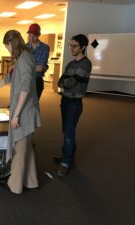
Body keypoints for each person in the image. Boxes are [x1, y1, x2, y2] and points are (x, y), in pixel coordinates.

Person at [0, 30, 41, 194]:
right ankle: (31, 181)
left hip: (24, 112)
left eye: (7, 46)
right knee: (26, 148)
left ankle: (14, 186)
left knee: (19, 149)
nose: (7, 50)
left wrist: (16, 114)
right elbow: (8, 79)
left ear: (10, 44)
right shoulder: (22, 58)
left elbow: (25, 88)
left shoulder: (24, 60)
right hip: (23, 110)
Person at [56, 34, 92, 176]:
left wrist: (66, 82)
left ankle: (65, 162)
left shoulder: (86, 63)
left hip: (75, 103)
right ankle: (68, 155)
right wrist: (66, 82)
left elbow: (70, 83)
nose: (71, 48)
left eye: (74, 46)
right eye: (70, 45)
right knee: (66, 131)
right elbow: (60, 82)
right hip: (65, 100)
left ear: (83, 47)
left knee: (69, 133)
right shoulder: (71, 64)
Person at [26, 23, 50, 100]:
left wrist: (26, 67)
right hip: (25, 80)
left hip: (37, 81)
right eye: (30, 35)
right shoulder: (24, 47)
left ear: (38, 35)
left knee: (33, 105)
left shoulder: (45, 48)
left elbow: (40, 68)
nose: (31, 38)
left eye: (34, 36)